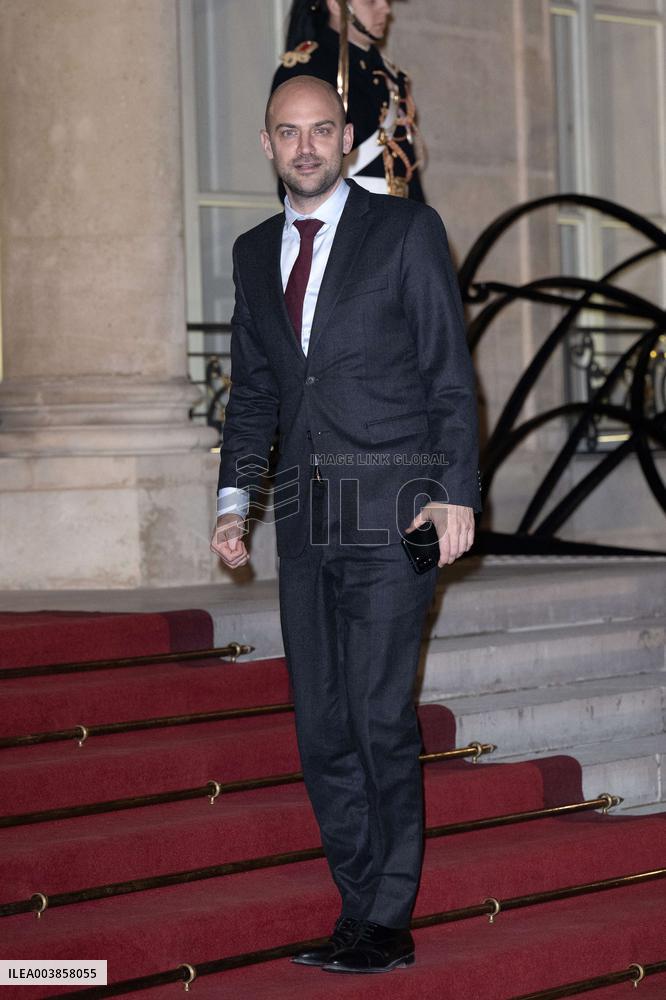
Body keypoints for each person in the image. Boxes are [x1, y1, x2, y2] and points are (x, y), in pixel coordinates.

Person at [211, 76, 480, 974]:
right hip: (305, 518)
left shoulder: (405, 230)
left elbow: (449, 374)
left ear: (348, 135)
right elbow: (255, 396)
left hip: (398, 507)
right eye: (289, 134)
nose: (307, 147)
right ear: (267, 145)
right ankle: (357, 901)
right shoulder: (254, 253)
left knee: (377, 713)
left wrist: (456, 491)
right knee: (321, 721)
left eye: (322, 130)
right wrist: (232, 504)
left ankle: (386, 914)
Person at [272, 0, 425, 200]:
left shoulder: (390, 77)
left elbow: (407, 174)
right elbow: (296, 170)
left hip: (398, 218)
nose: (385, 8)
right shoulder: (307, 71)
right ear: (336, 5)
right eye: (371, 1)